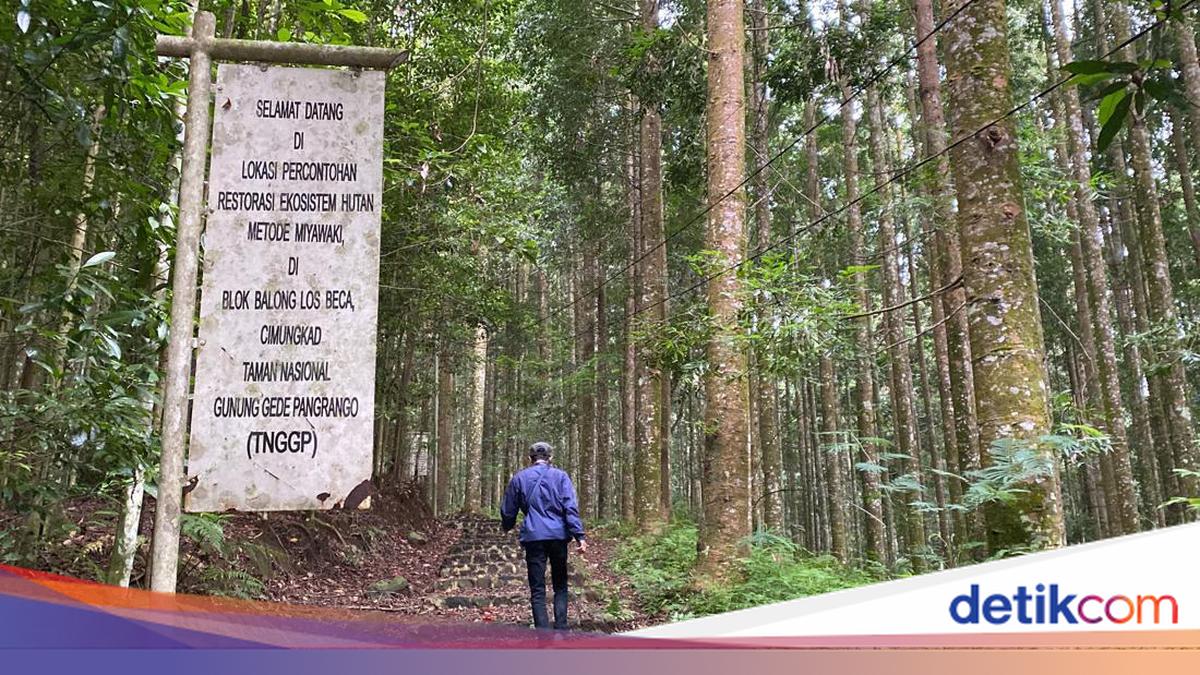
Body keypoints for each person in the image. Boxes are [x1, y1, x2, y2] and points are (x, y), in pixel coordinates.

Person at [500, 441, 587, 630]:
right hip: (558, 536)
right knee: (560, 585)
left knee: (538, 589)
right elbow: (569, 508)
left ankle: (542, 634)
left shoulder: (519, 478)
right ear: (550, 458)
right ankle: (561, 629)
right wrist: (579, 535)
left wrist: (507, 525)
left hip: (534, 536)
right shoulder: (561, 477)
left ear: (530, 459)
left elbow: (508, 509)